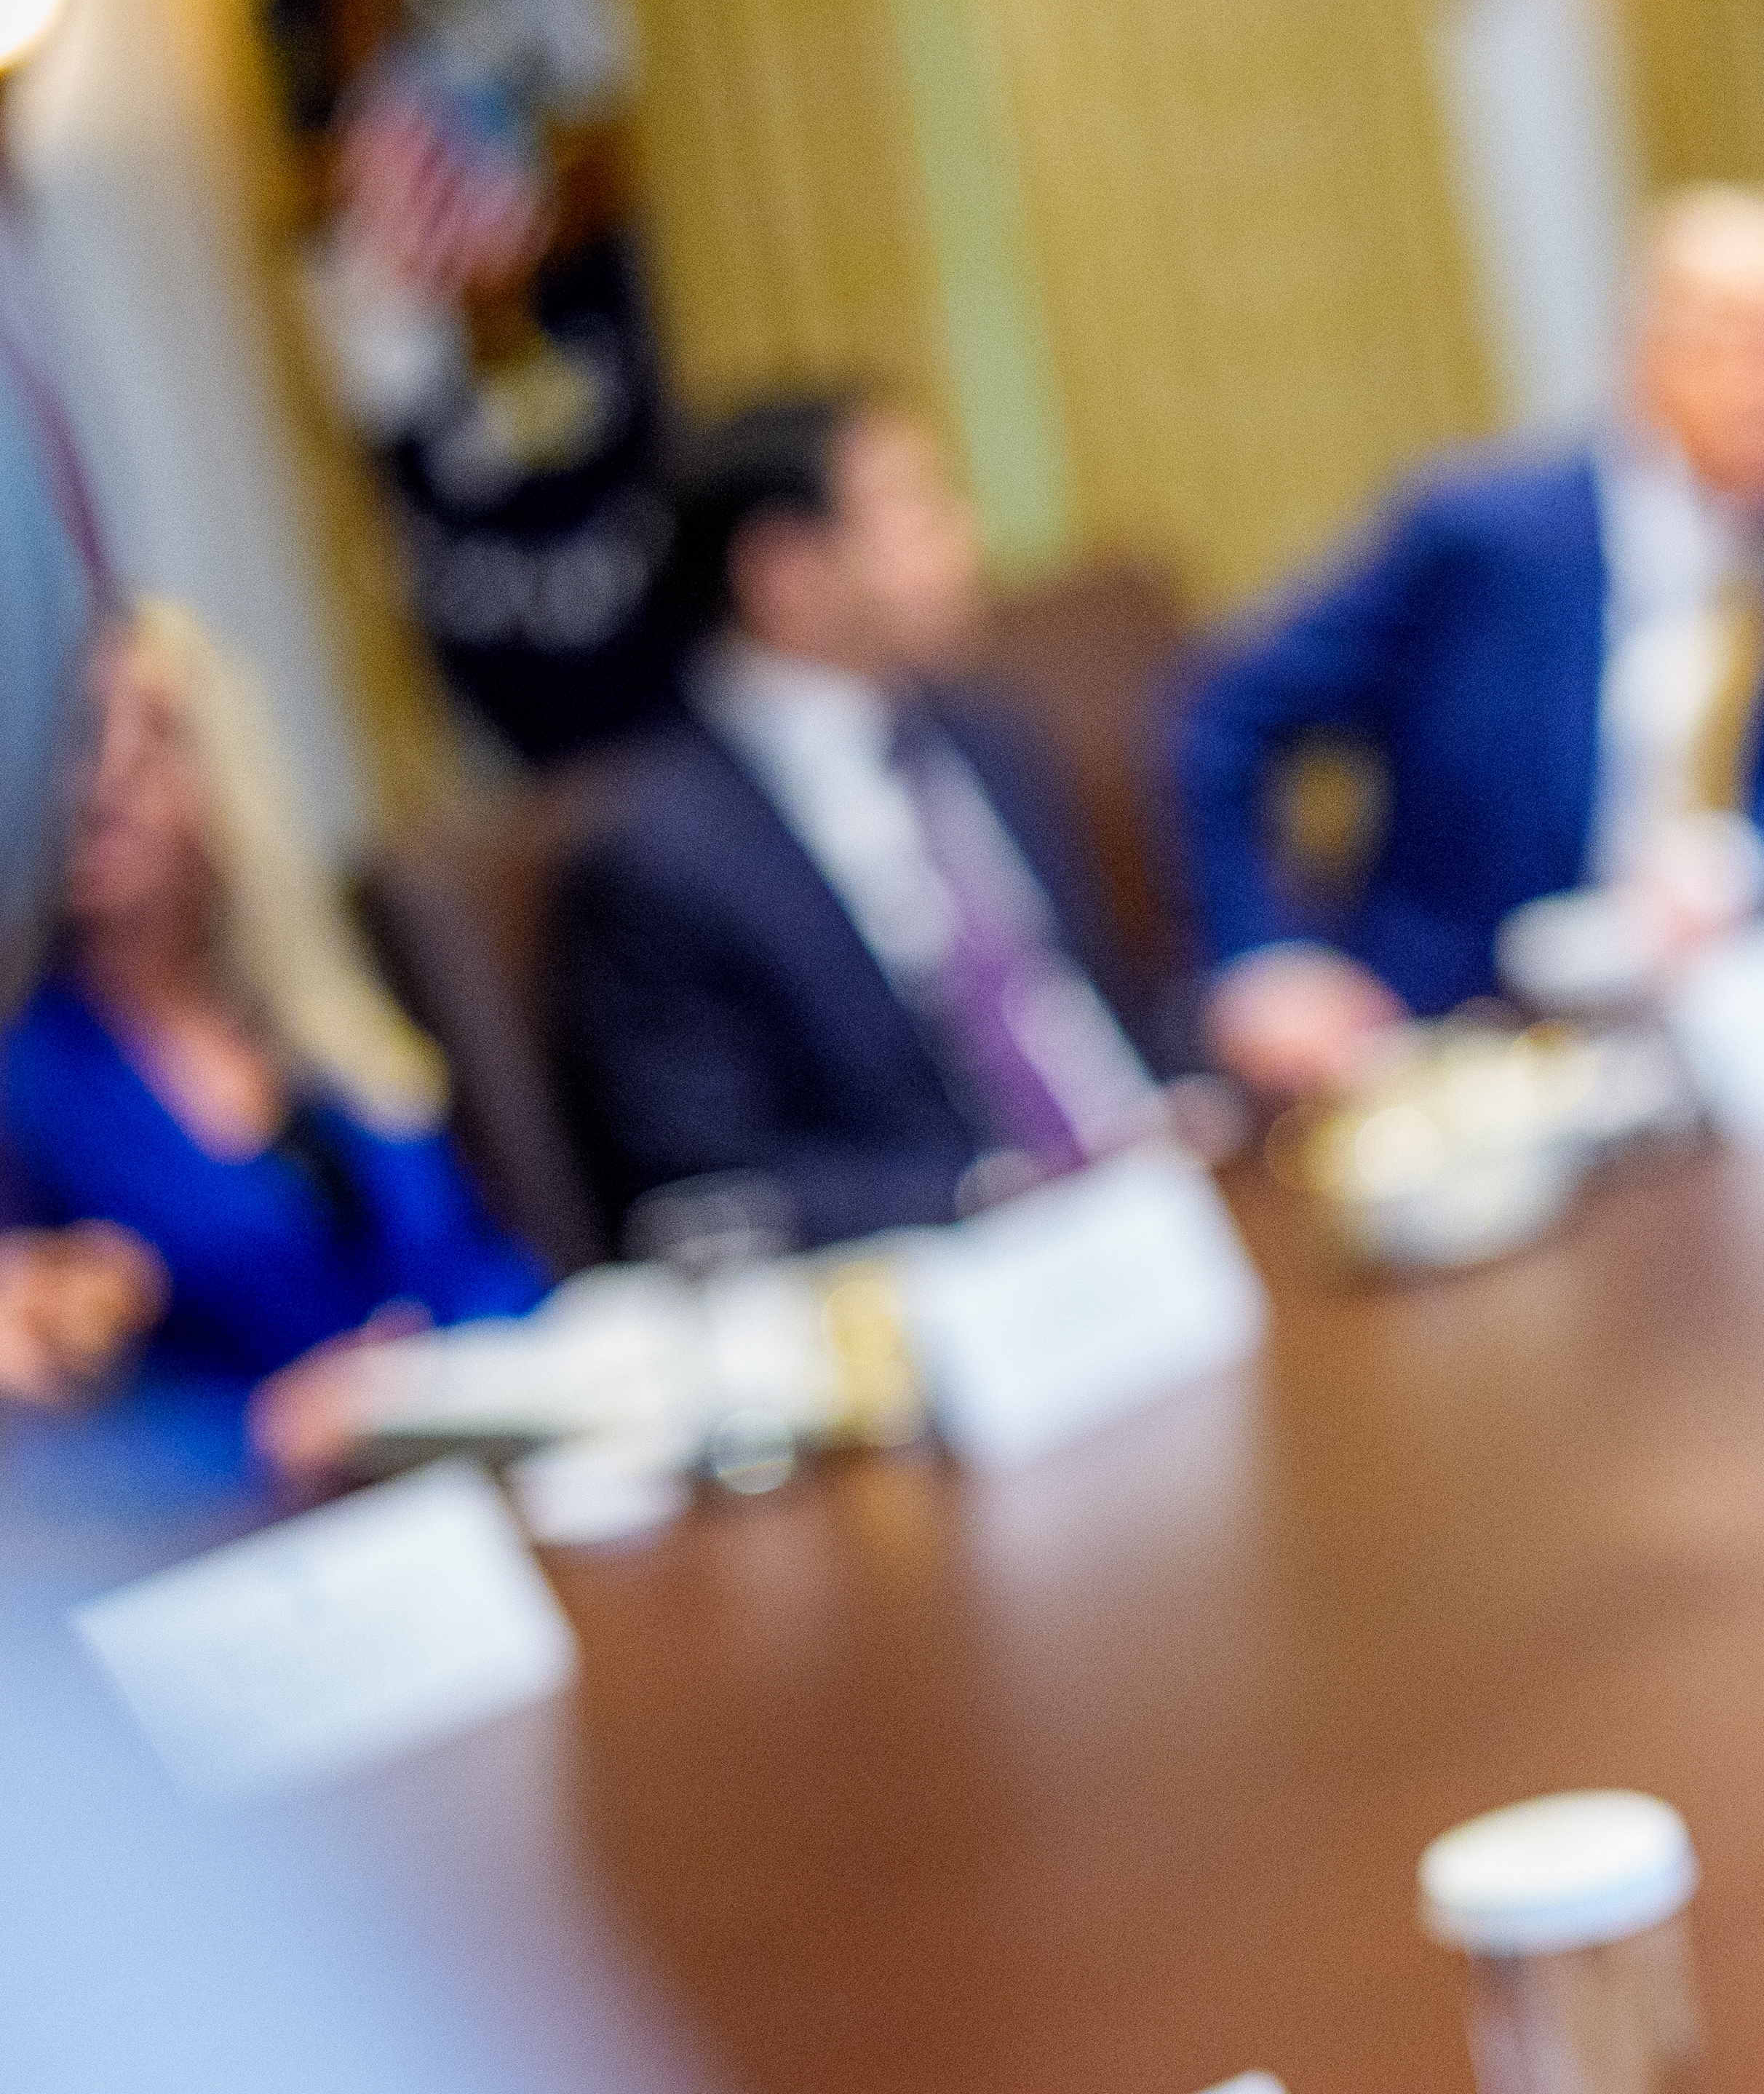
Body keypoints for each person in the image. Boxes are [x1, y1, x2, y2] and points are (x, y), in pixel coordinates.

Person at [1179, 186, 1764, 1102]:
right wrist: (1262, 958)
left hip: (1726, 1028)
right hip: (1477, 1023)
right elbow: (1222, 714)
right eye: (1758, 350)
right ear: (1652, 360)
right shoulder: (1487, 536)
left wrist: (1743, 862)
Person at [549, 393, 1161, 1249]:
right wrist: (995, 1193)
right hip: (980, 1260)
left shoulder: (984, 735)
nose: (965, 538)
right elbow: (710, 1186)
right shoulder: (663, 857)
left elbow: (1097, 991)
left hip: (1163, 1192)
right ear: (787, 574)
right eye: (917, 512)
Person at [0, 602, 543, 1460]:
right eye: (70, 744)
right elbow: (50, 1432)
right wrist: (260, 1435)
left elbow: (476, 1265)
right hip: (234, 1532)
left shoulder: (314, 1013)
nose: (102, 782)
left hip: (452, 1464)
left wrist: (450, 1365)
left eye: (151, 740)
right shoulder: (28, 1074)